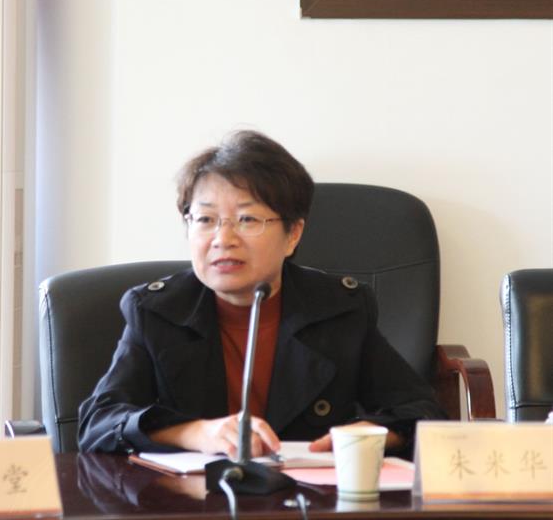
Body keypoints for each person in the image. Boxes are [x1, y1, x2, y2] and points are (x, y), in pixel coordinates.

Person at [78, 130, 446, 459]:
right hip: (197, 499)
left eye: (247, 220)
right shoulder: (158, 312)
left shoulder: (340, 310)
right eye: (205, 220)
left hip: (308, 497)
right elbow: (99, 423)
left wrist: (369, 435)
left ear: (293, 235)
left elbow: (421, 412)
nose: (223, 239)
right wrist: (196, 433)